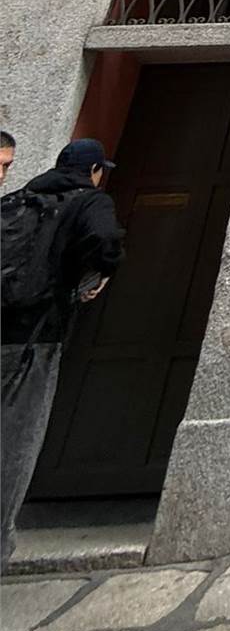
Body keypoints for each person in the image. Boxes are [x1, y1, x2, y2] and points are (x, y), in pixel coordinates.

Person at [0, 139, 125, 567]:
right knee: (15, 442)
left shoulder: (18, 201)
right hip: (32, 339)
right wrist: (98, 275)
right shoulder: (89, 200)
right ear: (93, 170)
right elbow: (105, 240)